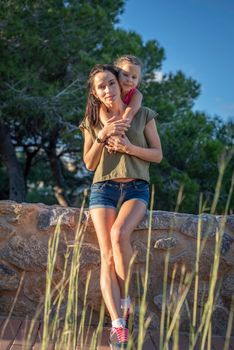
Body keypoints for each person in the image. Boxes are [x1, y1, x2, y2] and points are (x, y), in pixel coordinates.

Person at [80, 64, 162, 349]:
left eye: (111, 83)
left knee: (119, 235)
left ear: (120, 84)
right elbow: (89, 163)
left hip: (136, 187)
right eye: (100, 86)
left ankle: (126, 300)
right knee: (107, 256)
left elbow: (158, 155)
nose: (107, 89)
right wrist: (103, 136)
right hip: (103, 189)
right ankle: (118, 326)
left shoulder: (142, 114)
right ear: (95, 92)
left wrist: (129, 148)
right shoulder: (91, 121)